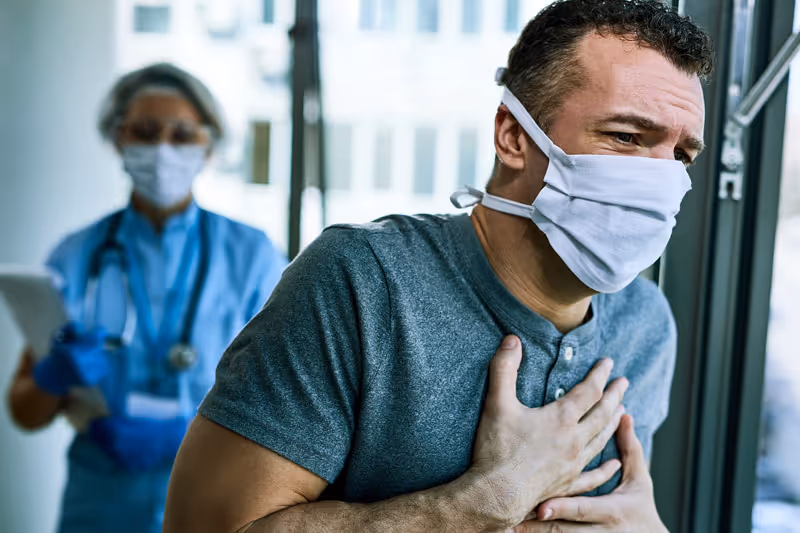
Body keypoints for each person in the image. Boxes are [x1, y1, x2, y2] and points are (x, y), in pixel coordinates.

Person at [164, 1, 713, 531]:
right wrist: (480, 504)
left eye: (681, 156)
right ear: (513, 136)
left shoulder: (646, 326)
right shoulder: (364, 282)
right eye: (626, 136)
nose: (661, 182)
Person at [6, 63, 287, 533]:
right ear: (118, 139)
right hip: (99, 504)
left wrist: (188, 435)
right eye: (144, 131)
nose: (161, 149)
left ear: (209, 146)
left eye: (181, 135)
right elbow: (24, 412)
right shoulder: (75, 255)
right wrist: (52, 377)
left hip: (217, 499)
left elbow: (287, 402)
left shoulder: (254, 255)